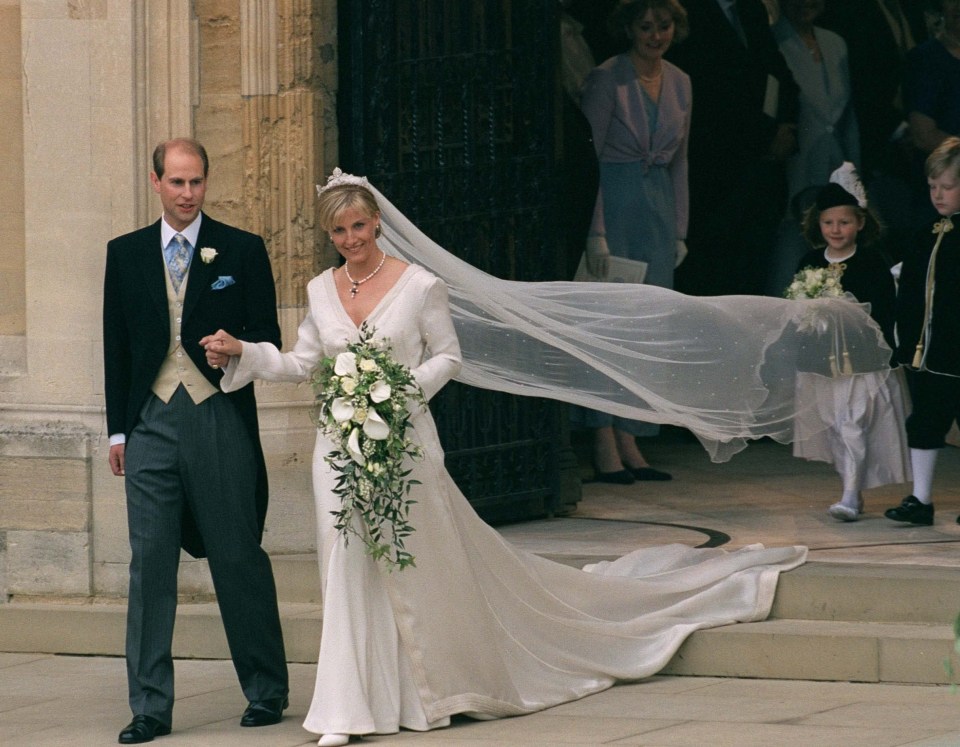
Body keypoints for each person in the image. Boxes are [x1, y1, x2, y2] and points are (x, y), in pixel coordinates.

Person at [202, 169, 808, 747]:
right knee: (345, 567)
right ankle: (348, 703)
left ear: (376, 223)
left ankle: (430, 690)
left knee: (417, 565)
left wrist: (396, 394)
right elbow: (302, 363)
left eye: (359, 227)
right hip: (337, 451)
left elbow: (448, 357)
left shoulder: (418, 286)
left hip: (404, 445)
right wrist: (243, 354)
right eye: (339, 232)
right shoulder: (318, 290)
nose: (351, 240)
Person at [102, 138, 289, 744]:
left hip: (218, 416)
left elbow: (268, 334)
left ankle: (266, 690)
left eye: (197, 183)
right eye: (177, 183)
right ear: (155, 182)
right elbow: (117, 347)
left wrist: (235, 348)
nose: (187, 194)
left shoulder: (241, 248)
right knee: (149, 564)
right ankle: (150, 707)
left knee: (237, 554)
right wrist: (117, 429)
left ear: (207, 183)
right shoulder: (125, 254)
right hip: (150, 423)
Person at [575, 0, 691, 483]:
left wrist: (681, 230)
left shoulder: (681, 81)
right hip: (615, 206)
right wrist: (594, 232)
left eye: (663, 26)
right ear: (627, 28)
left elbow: (682, 160)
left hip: (658, 212)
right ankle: (604, 439)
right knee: (611, 330)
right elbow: (589, 160)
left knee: (648, 330)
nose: (655, 35)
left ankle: (632, 438)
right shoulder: (606, 79)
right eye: (645, 26)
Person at [789, 164, 910, 521]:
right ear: (818, 225)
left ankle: (850, 495)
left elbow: (885, 311)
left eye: (844, 222)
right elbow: (799, 311)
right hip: (823, 362)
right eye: (828, 223)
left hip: (861, 362)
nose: (836, 230)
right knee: (835, 427)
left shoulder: (871, 262)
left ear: (859, 222)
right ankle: (850, 488)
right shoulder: (810, 262)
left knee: (853, 423)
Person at [666, 0, 800, 296]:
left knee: (752, 273)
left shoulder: (750, 9)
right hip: (712, 171)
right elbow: (708, 93)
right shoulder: (687, 11)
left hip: (759, 174)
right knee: (711, 276)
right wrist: (765, 137)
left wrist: (786, 126)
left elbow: (776, 71)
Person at [884, 136, 960, 526]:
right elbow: (911, 290)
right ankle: (921, 498)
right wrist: (904, 339)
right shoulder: (925, 232)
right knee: (926, 421)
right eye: (933, 187)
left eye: (947, 187)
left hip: (956, 349)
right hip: (925, 352)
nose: (938, 194)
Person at [772, 0, 860, 201]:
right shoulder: (771, 42)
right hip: (793, 172)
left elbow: (848, 119)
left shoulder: (836, 43)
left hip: (838, 169)